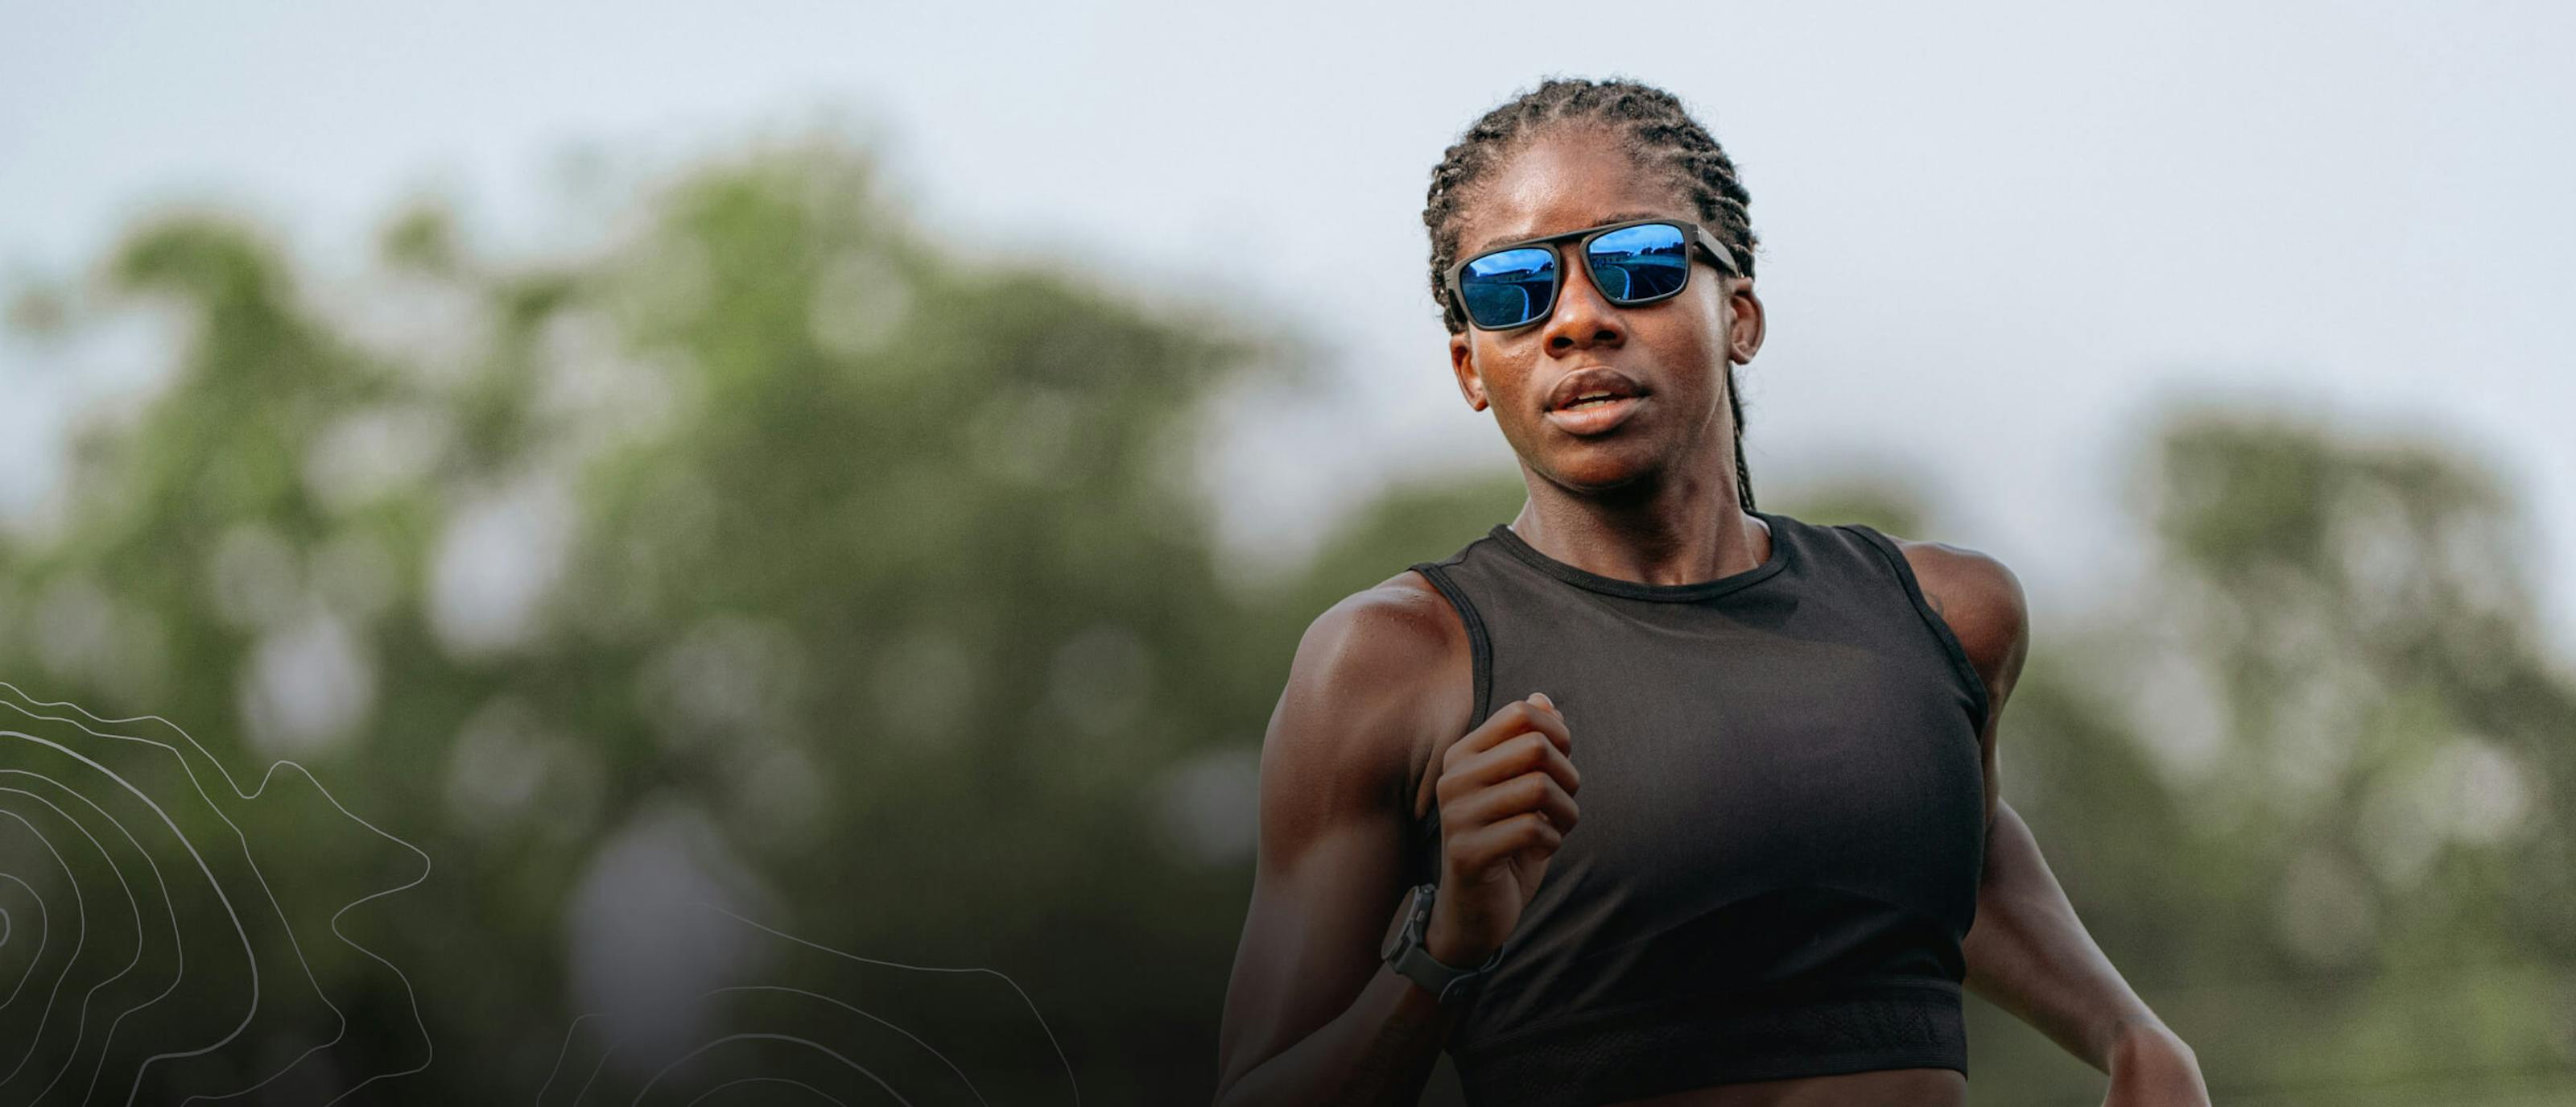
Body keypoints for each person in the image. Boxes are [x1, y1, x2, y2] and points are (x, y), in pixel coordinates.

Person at [1211, 78, 2214, 1107]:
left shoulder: (1946, 617)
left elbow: (1962, 846)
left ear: (1737, 314)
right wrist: (1442, 949)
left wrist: (2132, 1034)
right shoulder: (1394, 662)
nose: (1578, 320)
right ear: (1472, 364)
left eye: (1635, 264)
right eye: (1513, 290)